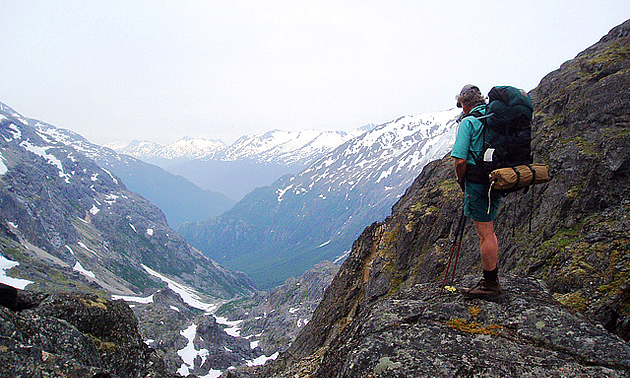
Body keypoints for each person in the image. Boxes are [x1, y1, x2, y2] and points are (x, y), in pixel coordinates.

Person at [450, 84, 502, 299]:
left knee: (485, 234)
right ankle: (492, 279)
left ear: (464, 104)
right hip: (495, 179)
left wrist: (462, 181)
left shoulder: (469, 122)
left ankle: (490, 285)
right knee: (489, 229)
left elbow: (460, 159)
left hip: (477, 183)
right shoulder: (493, 118)